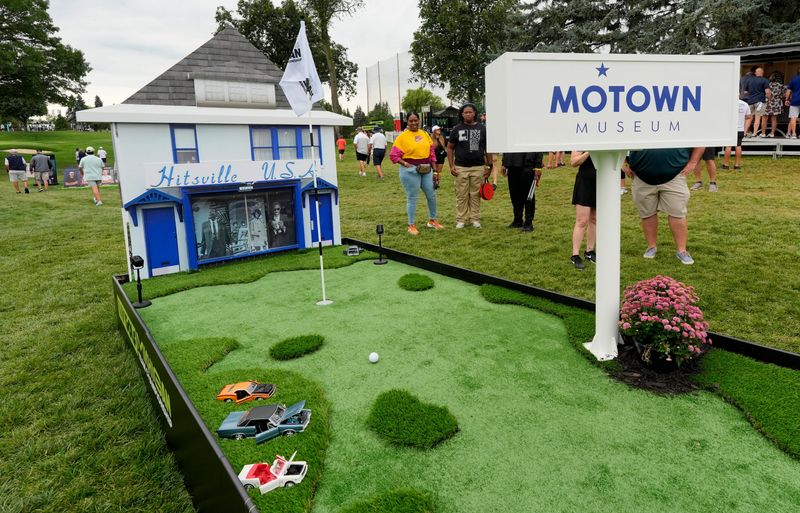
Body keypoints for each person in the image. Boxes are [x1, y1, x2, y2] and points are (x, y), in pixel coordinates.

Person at [626, 147, 705, 265]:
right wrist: (624, 163)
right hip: (641, 175)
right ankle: (651, 247)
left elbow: (700, 141)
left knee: (677, 213)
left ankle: (681, 250)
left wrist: (693, 162)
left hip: (675, 175)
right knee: (647, 213)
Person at [389, 112, 443, 235]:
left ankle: (432, 220)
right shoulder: (402, 137)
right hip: (410, 170)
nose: (414, 123)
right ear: (407, 122)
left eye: (416, 120)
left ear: (419, 121)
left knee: (431, 195)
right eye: (411, 121)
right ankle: (411, 225)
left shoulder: (425, 134)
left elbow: (432, 154)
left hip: (426, 169)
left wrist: (435, 171)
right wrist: (405, 164)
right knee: (412, 197)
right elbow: (393, 156)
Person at [447, 103, 493, 228]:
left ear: (475, 113)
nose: (468, 114)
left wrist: (489, 166)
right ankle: (461, 219)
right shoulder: (456, 129)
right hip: (461, 167)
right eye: (465, 112)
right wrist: (451, 165)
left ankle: (475, 219)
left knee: (475, 194)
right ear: (461, 114)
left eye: (470, 112)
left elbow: (488, 148)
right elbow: (450, 148)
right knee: (461, 194)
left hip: (478, 167)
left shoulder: (482, 129)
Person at [569, 151, 597, 270]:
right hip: (584, 182)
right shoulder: (582, 140)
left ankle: (589, 251)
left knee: (594, 219)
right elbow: (574, 162)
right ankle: (575, 255)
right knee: (582, 221)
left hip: (600, 182)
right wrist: (589, 151)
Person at [501, 151, 542, 232]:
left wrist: (538, 166)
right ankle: (517, 220)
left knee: (528, 196)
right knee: (514, 194)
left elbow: (537, 146)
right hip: (511, 164)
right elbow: (507, 144)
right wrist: (504, 162)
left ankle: (528, 223)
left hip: (527, 164)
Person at [743, 67, 771, 138]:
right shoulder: (765, 80)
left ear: (755, 73)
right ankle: (754, 133)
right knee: (757, 117)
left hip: (750, 101)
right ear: (762, 73)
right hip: (760, 101)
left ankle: (744, 132)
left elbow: (745, 92)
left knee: (749, 118)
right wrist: (769, 99)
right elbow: (767, 92)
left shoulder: (749, 80)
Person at [722, 98, 749, 170]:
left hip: (730, 129)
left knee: (728, 146)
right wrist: (745, 129)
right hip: (740, 128)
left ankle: (726, 164)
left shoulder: (728, 103)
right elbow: (748, 117)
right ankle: (737, 165)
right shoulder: (745, 104)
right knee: (738, 146)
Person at [765, 72, 787, 138]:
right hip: (777, 102)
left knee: (765, 118)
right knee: (774, 118)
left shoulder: (767, 85)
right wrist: (780, 97)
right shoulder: (780, 85)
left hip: (768, 102)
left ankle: (763, 133)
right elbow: (785, 94)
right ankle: (772, 133)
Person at [787, 68, 800, 139]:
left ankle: (794, 134)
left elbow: (788, 91)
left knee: (793, 117)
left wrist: (787, 99)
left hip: (794, 100)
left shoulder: (793, 79)